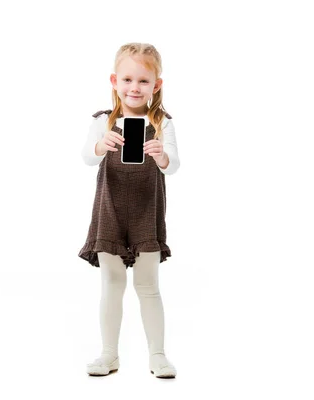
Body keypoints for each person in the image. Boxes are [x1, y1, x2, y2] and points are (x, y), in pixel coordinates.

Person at [78, 43, 180, 378]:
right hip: (110, 210)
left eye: (143, 81)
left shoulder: (162, 123)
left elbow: (173, 166)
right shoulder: (103, 121)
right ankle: (109, 355)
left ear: (156, 85)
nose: (134, 88)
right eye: (127, 79)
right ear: (114, 81)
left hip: (146, 212)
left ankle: (158, 354)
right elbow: (87, 157)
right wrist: (100, 144)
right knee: (112, 282)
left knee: (148, 285)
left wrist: (161, 155)